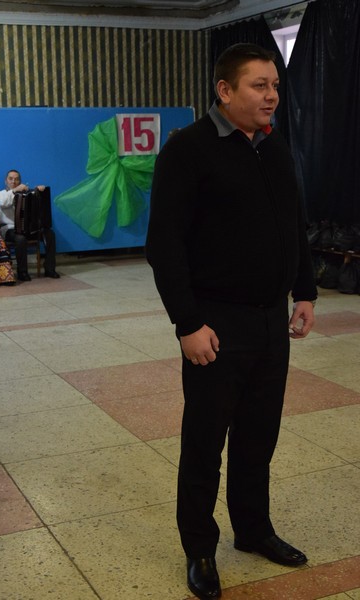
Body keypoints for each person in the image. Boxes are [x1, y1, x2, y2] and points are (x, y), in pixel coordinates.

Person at [146, 43, 318, 600]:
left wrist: (305, 290)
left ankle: (253, 529)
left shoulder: (274, 147)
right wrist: (187, 323)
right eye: (259, 85)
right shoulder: (188, 150)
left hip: (270, 323)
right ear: (225, 90)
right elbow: (164, 245)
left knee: (258, 436)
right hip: (215, 324)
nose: (272, 96)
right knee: (205, 441)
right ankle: (199, 547)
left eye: (275, 86)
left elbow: (294, 221)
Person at [0, 169, 60, 281]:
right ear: (6, 181)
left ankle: (49, 269)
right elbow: (3, 202)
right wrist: (15, 191)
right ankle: (22, 272)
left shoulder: (27, 194)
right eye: (10, 179)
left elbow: (39, 206)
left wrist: (40, 192)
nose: (13, 181)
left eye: (16, 179)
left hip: (29, 228)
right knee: (20, 238)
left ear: (20, 181)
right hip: (10, 229)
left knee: (49, 234)